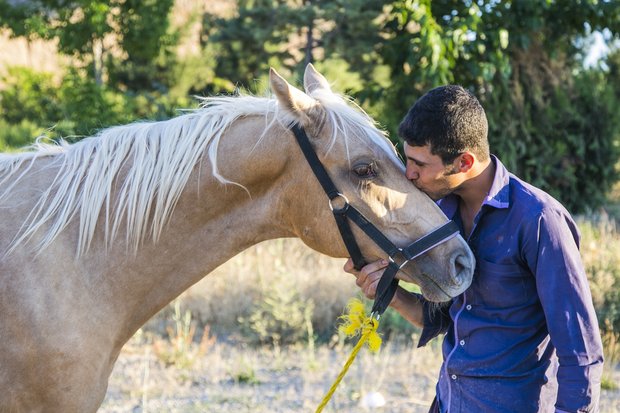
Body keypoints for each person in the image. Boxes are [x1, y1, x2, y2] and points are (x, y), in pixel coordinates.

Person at [344, 85, 604, 413]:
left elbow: (581, 351)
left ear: (465, 161)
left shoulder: (539, 220)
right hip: (448, 402)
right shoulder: (439, 212)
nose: (408, 175)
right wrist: (391, 294)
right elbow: (440, 319)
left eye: (419, 164)